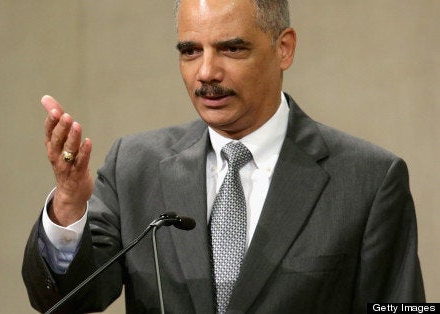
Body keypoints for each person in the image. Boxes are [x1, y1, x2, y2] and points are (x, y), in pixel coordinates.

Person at [22, 0, 425, 312]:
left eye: (231, 49)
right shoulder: (135, 167)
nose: (206, 72)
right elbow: (64, 301)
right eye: (190, 50)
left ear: (283, 49)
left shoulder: (368, 179)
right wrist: (69, 206)